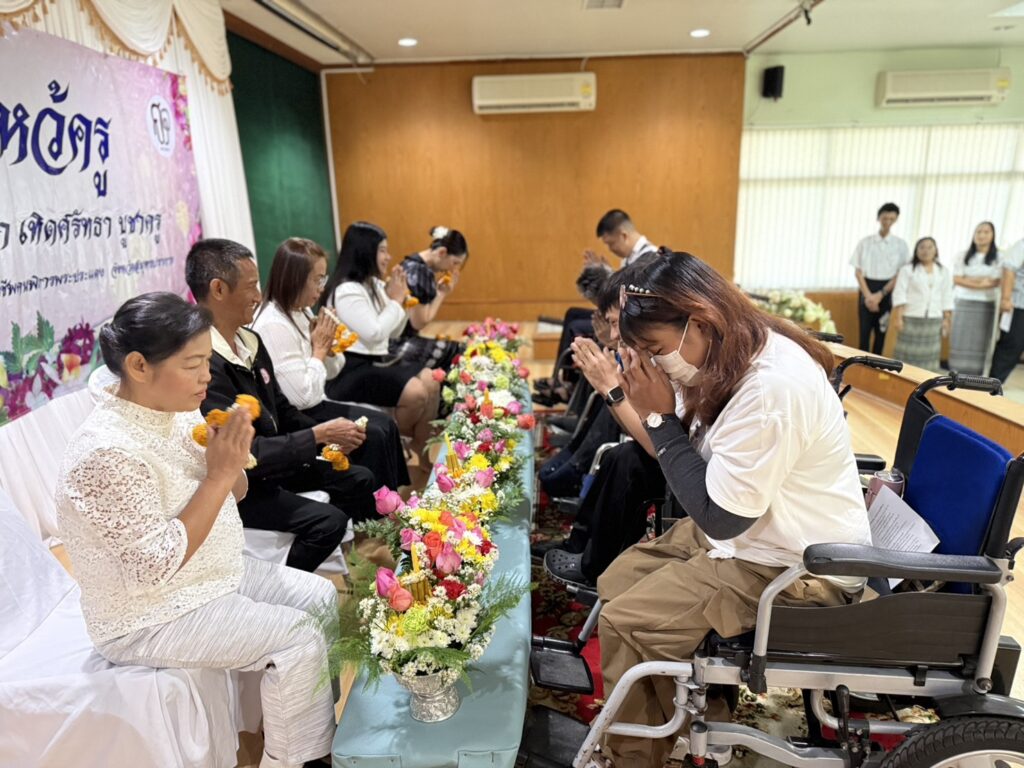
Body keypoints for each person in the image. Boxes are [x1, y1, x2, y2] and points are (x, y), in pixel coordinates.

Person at [595, 251, 871, 768]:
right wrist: (659, 411)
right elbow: (696, 471)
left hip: (799, 569)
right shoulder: (728, 352)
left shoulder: (770, 387)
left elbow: (721, 516)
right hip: (755, 538)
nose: (656, 364)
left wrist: (658, 418)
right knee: (617, 581)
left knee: (626, 621)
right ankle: (705, 719)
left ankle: (631, 757)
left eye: (655, 350)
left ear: (698, 321)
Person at [56, 293, 338, 768]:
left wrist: (233, 462)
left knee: (322, 599)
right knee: (299, 636)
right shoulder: (104, 453)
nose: (208, 376)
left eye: (208, 361)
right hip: (146, 616)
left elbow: (235, 493)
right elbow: (153, 567)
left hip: (209, 575)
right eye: (194, 364)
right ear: (139, 366)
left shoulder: (177, 411)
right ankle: (295, 760)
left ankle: (306, 734)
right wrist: (218, 477)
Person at [186, 238, 376, 572]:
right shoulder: (204, 364)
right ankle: (281, 586)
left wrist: (328, 437)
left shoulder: (250, 340)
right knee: (327, 524)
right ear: (218, 289)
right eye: (251, 286)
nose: (258, 296)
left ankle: (353, 559)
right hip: (245, 482)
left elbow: (281, 408)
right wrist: (316, 436)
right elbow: (246, 453)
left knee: (359, 477)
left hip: (278, 462)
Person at [544, 263, 669, 586]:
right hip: (675, 451)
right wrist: (608, 386)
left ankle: (595, 566)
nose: (614, 334)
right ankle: (580, 545)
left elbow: (657, 445)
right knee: (620, 455)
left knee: (628, 460)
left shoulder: (669, 357)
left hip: (693, 474)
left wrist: (611, 389)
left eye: (615, 323)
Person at [252, 237, 410, 491]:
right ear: (296, 279)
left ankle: (391, 501)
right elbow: (302, 398)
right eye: (317, 279)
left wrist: (331, 349)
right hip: (298, 418)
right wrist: (319, 350)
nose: (322, 287)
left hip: (317, 402)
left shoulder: (302, 310)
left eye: (323, 278)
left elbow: (332, 372)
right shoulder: (273, 325)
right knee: (374, 434)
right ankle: (374, 508)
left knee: (386, 423)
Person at [321, 221, 440, 459]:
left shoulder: (373, 284)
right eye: (382, 250)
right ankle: (396, 439)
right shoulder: (347, 290)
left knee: (432, 379)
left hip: (375, 361)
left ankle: (420, 447)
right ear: (366, 252)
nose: (388, 257)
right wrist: (395, 300)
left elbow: (393, 332)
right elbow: (374, 332)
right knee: (416, 393)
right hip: (348, 369)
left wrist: (403, 301)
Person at [535, 209, 658, 405]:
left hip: (632, 323)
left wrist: (607, 277)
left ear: (623, 235)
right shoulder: (632, 257)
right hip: (620, 315)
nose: (610, 249)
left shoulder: (649, 258)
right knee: (573, 313)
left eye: (611, 244)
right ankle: (563, 381)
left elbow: (629, 297)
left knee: (577, 326)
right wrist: (605, 273)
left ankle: (571, 389)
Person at [389, 226, 469, 371]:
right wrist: (442, 293)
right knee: (460, 353)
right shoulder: (421, 272)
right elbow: (419, 322)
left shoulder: (409, 263)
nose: (453, 269)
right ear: (442, 252)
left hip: (390, 341)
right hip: (397, 346)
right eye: (455, 263)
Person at [850, 202, 910, 354]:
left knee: (881, 332)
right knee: (864, 332)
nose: (887, 222)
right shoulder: (865, 242)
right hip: (867, 288)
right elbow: (858, 272)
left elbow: (900, 274)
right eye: (885, 218)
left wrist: (881, 294)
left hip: (887, 290)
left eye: (891, 219)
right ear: (878, 218)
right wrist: (869, 296)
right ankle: (861, 363)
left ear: (896, 220)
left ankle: (877, 364)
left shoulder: (901, 245)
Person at [890, 237, 953, 371]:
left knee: (929, 356)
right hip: (911, 317)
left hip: (934, 318)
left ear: (936, 250)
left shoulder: (943, 271)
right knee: (906, 352)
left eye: (930, 247)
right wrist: (898, 317)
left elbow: (947, 295)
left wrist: (947, 319)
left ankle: (926, 379)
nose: (926, 251)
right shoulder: (907, 270)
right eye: (922, 247)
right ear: (916, 251)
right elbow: (900, 293)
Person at [950, 221, 1002, 374]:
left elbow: (995, 281)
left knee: (980, 340)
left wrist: (968, 279)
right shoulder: (962, 255)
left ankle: (975, 375)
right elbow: (957, 279)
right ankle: (955, 372)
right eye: (978, 232)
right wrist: (982, 281)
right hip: (963, 301)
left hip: (986, 303)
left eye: (986, 232)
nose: (981, 235)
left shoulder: (999, 257)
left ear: (993, 235)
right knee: (960, 337)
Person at [990, 238, 1024, 383]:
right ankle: (992, 386)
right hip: (1018, 305)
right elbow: (1009, 268)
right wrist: (1005, 298)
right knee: (1012, 345)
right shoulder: (1022, 244)